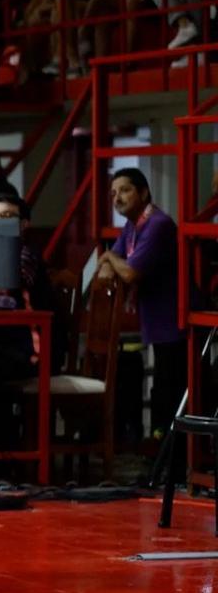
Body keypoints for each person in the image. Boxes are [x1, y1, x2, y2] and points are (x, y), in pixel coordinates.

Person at [98, 167, 186, 439]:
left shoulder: (157, 224)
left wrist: (110, 259)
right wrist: (110, 260)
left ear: (144, 192)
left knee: (172, 393)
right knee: (162, 391)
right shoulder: (133, 225)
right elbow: (109, 265)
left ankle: (174, 463)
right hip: (157, 322)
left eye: (125, 190)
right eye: (113, 193)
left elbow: (128, 271)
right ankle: (162, 461)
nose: (117, 198)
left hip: (175, 320)